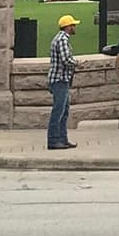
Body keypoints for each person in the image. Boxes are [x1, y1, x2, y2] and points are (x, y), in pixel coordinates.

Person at [47, 14, 79, 150]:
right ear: (67, 27)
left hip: (61, 79)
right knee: (58, 111)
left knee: (64, 111)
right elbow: (66, 60)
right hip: (59, 80)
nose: (75, 27)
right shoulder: (62, 40)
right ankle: (53, 140)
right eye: (73, 25)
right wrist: (77, 63)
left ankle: (62, 139)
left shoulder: (60, 38)